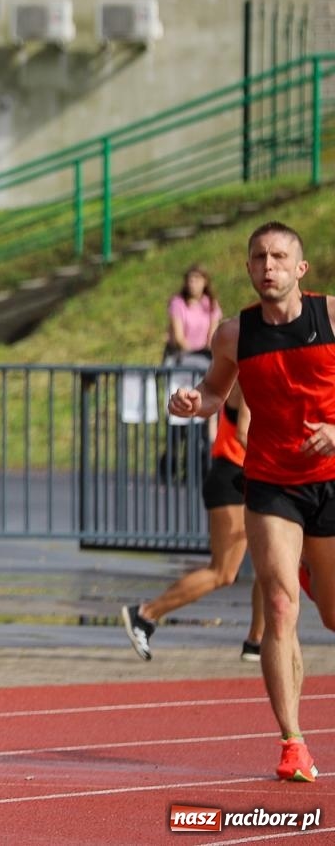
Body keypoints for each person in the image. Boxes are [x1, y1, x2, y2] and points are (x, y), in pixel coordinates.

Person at [168, 221, 335, 783]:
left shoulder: (332, 318)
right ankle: (292, 742)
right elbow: (215, 392)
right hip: (270, 482)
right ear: (247, 268)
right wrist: (192, 402)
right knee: (280, 608)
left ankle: (310, 571)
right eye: (260, 257)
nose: (269, 266)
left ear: (300, 268)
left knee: (331, 614)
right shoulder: (234, 334)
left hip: (331, 479)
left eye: (280, 257)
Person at [120, 385, 265, 662]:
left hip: (255, 476)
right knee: (223, 572)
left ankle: (256, 641)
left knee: (273, 565)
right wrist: (279, 462)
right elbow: (243, 432)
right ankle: (145, 614)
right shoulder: (250, 374)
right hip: (233, 476)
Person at [166, 263, 222, 359]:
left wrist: (206, 353)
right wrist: (193, 355)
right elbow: (179, 337)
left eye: (197, 280)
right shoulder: (177, 303)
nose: (192, 284)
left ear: (205, 282)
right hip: (181, 354)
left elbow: (212, 335)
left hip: (204, 355)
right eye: (190, 280)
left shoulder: (211, 304)